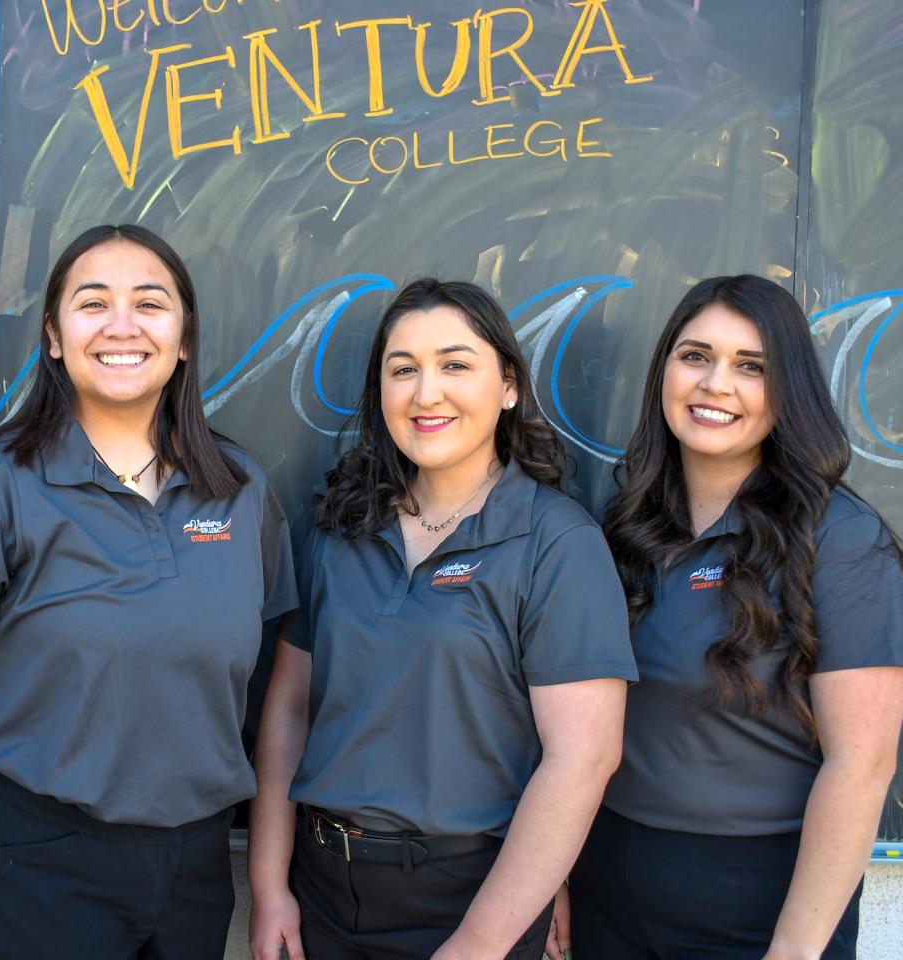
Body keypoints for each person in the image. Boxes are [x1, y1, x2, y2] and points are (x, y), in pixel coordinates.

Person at [0, 223, 297, 959]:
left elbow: (261, 673)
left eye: (149, 303)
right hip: (33, 864)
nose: (121, 326)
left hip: (196, 865)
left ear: (183, 339)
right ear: (52, 336)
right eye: (92, 303)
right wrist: (15, 806)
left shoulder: (242, 491)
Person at [249, 278, 636, 960]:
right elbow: (288, 710)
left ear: (509, 386)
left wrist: (481, 943)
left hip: (469, 900)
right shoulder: (339, 527)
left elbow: (584, 758)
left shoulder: (556, 542)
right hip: (320, 896)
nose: (427, 393)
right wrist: (267, 884)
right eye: (404, 370)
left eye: (455, 365)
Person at [566, 274, 903, 959]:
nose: (715, 384)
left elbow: (863, 764)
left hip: (759, 899)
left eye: (751, 367)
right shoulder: (624, 527)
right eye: (695, 355)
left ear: (788, 391)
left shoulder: (841, 539)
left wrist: (793, 950)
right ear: (665, 371)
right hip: (607, 882)